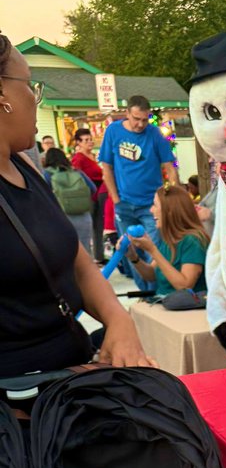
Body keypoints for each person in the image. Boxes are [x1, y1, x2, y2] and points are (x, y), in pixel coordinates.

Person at [0, 32, 152, 376]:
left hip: (73, 371)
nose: (34, 98)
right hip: (26, 409)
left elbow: (77, 260)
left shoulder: (24, 164)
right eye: (29, 85)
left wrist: (118, 319)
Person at [98, 94, 177, 292]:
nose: (140, 124)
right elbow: (106, 167)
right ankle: (144, 293)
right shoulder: (113, 131)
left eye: (145, 119)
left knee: (154, 250)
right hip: (124, 203)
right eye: (136, 119)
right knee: (130, 251)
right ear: (127, 114)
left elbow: (170, 166)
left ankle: (156, 293)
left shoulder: (155, 134)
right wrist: (116, 199)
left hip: (151, 206)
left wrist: (170, 197)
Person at [125, 183, 209, 297]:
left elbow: (184, 286)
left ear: (170, 211)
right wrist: (133, 257)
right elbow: (151, 275)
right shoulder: (170, 239)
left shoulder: (193, 241)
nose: (151, 210)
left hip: (187, 309)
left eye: (154, 205)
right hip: (167, 304)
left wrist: (152, 250)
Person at [41, 146, 96, 257]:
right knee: (85, 252)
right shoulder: (77, 172)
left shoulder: (47, 175)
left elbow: (43, 196)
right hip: (83, 217)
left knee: (66, 253)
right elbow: (93, 188)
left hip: (61, 217)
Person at [71, 127, 106, 259]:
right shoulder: (78, 158)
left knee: (98, 226)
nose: (90, 142)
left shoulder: (92, 156)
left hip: (98, 194)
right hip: (88, 195)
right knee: (89, 227)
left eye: (90, 139)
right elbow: (76, 176)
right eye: (86, 140)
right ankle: (88, 257)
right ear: (78, 143)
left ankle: (99, 255)